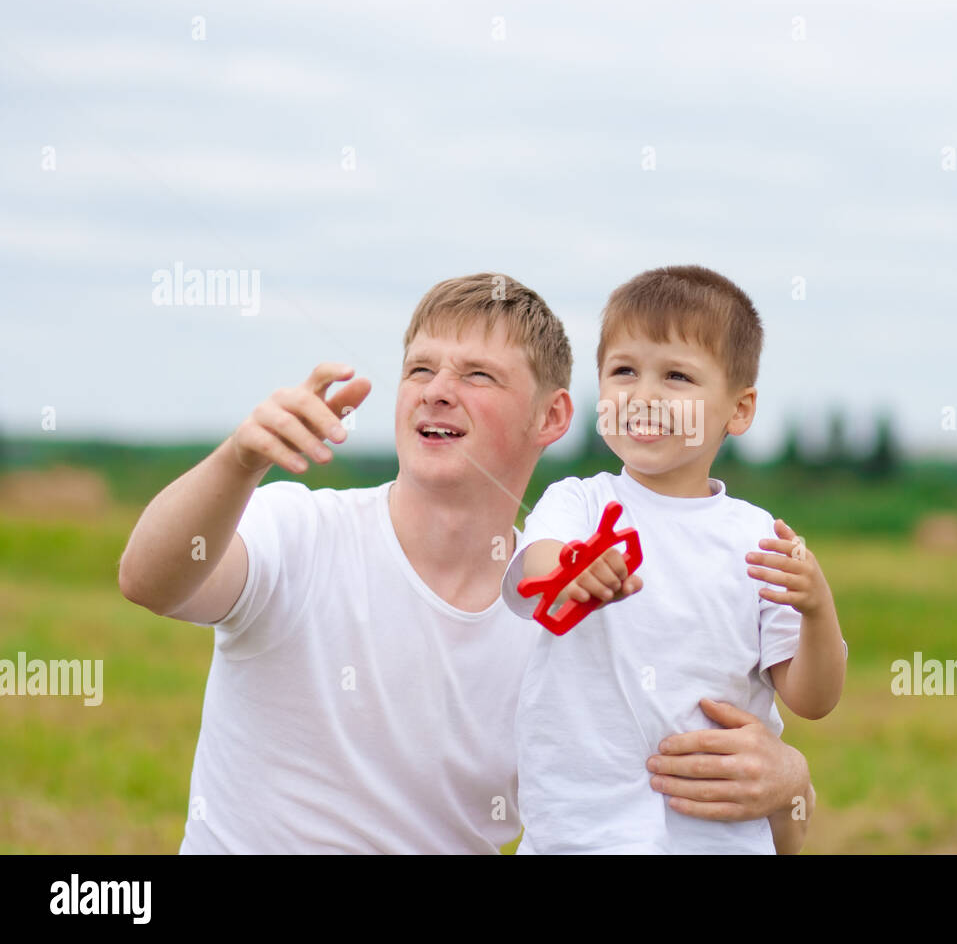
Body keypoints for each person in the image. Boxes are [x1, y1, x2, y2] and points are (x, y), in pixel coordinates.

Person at [117, 272, 817, 853]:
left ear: (552, 417)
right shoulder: (298, 528)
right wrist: (240, 460)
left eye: (477, 373)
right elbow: (148, 581)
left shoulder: (581, 616)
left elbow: (686, 809)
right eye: (419, 368)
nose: (437, 388)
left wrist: (788, 786)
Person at [502, 266, 846, 853]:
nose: (644, 394)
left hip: (716, 836)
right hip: (578, 834)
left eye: (677, 375)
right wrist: (576, 568)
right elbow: (538, 572)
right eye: (624, 371)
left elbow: (812, 699)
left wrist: (818, 611)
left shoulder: (758, 538)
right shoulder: (579, 503)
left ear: (738, 410)